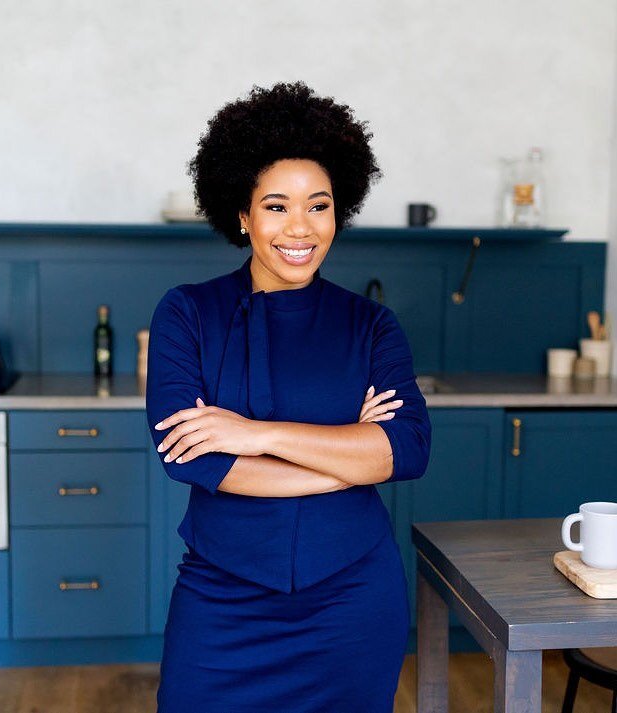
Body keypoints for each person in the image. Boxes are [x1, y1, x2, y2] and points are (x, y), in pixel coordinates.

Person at [145, 80, 432, 713]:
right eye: (276, 207)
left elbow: (406, 450)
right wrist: (343, 458)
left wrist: (256, 435)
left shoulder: (371, 326)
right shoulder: (188, 313)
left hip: (352, 599)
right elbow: (189, 457)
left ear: (339, 211)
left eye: (319, 205)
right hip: (223, 599)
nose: (299, 227)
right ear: (242, 215)